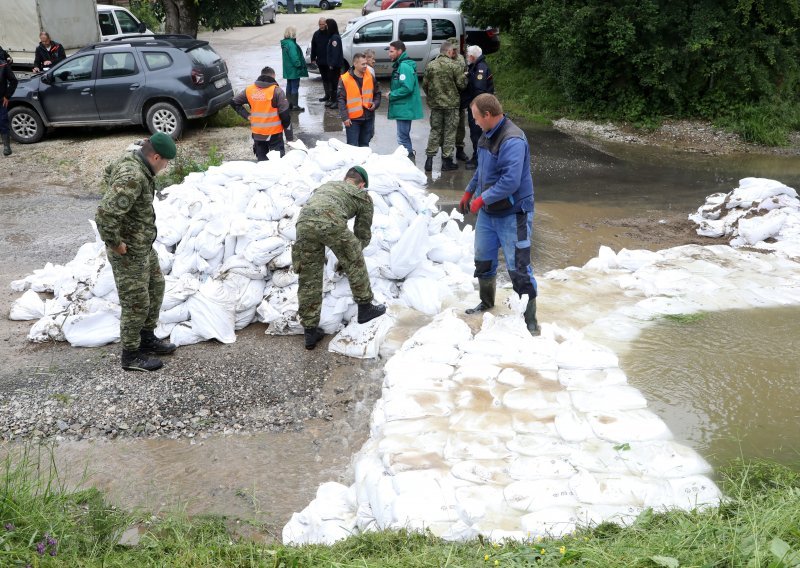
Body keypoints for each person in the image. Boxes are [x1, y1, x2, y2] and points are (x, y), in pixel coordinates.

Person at [95, 133, 179, 371]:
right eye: (165, 163)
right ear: (155, 156)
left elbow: (108, 172)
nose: (165, 167)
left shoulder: (137, 162)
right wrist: (115, 243)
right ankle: (131, 354)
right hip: (128, 251)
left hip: (143, 246)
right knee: (136, 302)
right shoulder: (133, 175)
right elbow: (105, 215)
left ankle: (146, 338)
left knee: (156, 287)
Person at [458, 93, 538, 336]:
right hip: (489, 213)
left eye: (475, 117)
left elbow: (510, 182)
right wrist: (469, 191)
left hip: (513, 213)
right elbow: (482, 170)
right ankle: (487, 302)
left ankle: (530, 319)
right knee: (483, 259)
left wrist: (482, 199)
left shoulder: (512, 140)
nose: (474, 122)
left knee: (519, 268)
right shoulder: (487, 134)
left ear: (488, 115)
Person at [292, 167, 387, 350]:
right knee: (355, 260)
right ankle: (365, 308)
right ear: (362, 185)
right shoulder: (363, 196)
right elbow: (362, 234)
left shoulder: (327, 186)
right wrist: (349, 259)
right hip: (331, 222)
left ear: (345, 178)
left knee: (309, 277)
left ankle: (310, 331)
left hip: (303, 223)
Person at [230, 66, 293, 162]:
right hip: (274, 135)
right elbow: (285, 116)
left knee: (262, 165)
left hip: (257, 134)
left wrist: (247, 115)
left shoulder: (249, 90)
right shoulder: (276, 91)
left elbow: (234, 102)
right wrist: (289, 137)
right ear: (274, 76)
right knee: (278, 164)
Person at [421, 41, 466, 172]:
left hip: (436, 105)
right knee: (449, 132)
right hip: (451, 105)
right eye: (453, 51)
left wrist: (432, 97)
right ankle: (447, 161)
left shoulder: (431, 65)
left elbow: (425, 85)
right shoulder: (454, 65)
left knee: (435, 131)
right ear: (449, 51)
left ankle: (429, 160)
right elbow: (462, 85)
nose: (454, 53)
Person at [387, 40, 423, 161]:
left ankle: (409, 160)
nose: (389, 54)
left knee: (402, 137)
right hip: (403, 107)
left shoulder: (404, 66)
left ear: (399, 51)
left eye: (391, 51)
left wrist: (392, 94)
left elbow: (407, 88)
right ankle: (408, 159)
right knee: (403, 136)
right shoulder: (401, 65)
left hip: (404, 107)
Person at [337, 53, 381, 147]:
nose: (365, 66)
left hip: (368, 117)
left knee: (365, 145)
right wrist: (345, 117)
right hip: (353, 120)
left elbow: (377, 93)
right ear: (355, 64)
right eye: (363, 64)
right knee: (352, 146)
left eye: (366, 63)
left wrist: (375, 104)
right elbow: (341, 100)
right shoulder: (345, 79)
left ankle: (364, 162)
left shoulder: (370, 76)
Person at [464, 45, 494, 170]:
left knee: (477, 134)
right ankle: (479, 157)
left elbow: (479, 90)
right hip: (479, 106)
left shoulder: (480, 69)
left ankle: (478, 159)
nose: (466, 57)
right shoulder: (477, 66)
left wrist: (474, 107)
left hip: (479, 107)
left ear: (472, 56)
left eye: (467, 55)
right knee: (477, 133)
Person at [447, 37, 470, 163]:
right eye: (452, 49)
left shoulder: (461, 59)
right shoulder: (443, 60)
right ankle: (447, 154)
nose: (454, 52)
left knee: (460, 126)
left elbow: (466, 73)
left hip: (460, 98)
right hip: (447, 99)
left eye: (456, 49)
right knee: (449, 127)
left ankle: (460, 150)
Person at [281, 26, 309, 112]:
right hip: (294, 69)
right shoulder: (291, 44)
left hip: (288, 69)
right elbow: (294, 56)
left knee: (289, 86)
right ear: (292, 33)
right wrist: (299, 65)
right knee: (295, 87)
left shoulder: (285, 43)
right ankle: (295, 105)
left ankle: (289, 104)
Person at [310, 18, 331, 103]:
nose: (321, 26)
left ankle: (332, 97)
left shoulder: (330, 34)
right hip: (321, 61)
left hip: (329, 61)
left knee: (330, 79)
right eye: (320, 25)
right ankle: (327, 95)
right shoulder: (316, 34)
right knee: (324, 79)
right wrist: (313, 58)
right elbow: (313, 46)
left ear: (326, 24)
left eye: (323, 24)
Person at [324, 19, 344, 109]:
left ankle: (336, 101)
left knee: (335, 84)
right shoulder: (332, 37)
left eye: (327, 26)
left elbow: (335, 53)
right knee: (332, 83)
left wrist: (332, 64)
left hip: (335, 66)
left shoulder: (335, 38)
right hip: (332, 65)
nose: (326, 27)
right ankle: (332, 99)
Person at [0, 54, 17, 157]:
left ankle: (7, 146)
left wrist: (7, 96)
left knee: (3, 122)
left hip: (1, 100)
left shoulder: (3, 66)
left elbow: (14, 81)